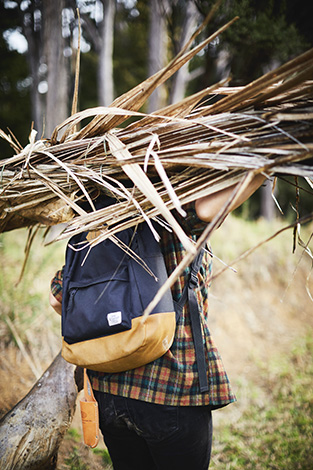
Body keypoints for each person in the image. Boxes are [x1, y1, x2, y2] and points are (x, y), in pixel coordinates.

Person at [50, 175, 265, 470]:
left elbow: (58, 298)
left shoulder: (95, 226)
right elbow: (204, 210)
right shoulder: (168, 211)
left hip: (108, 392)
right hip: (170, 387)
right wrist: (261, 169)